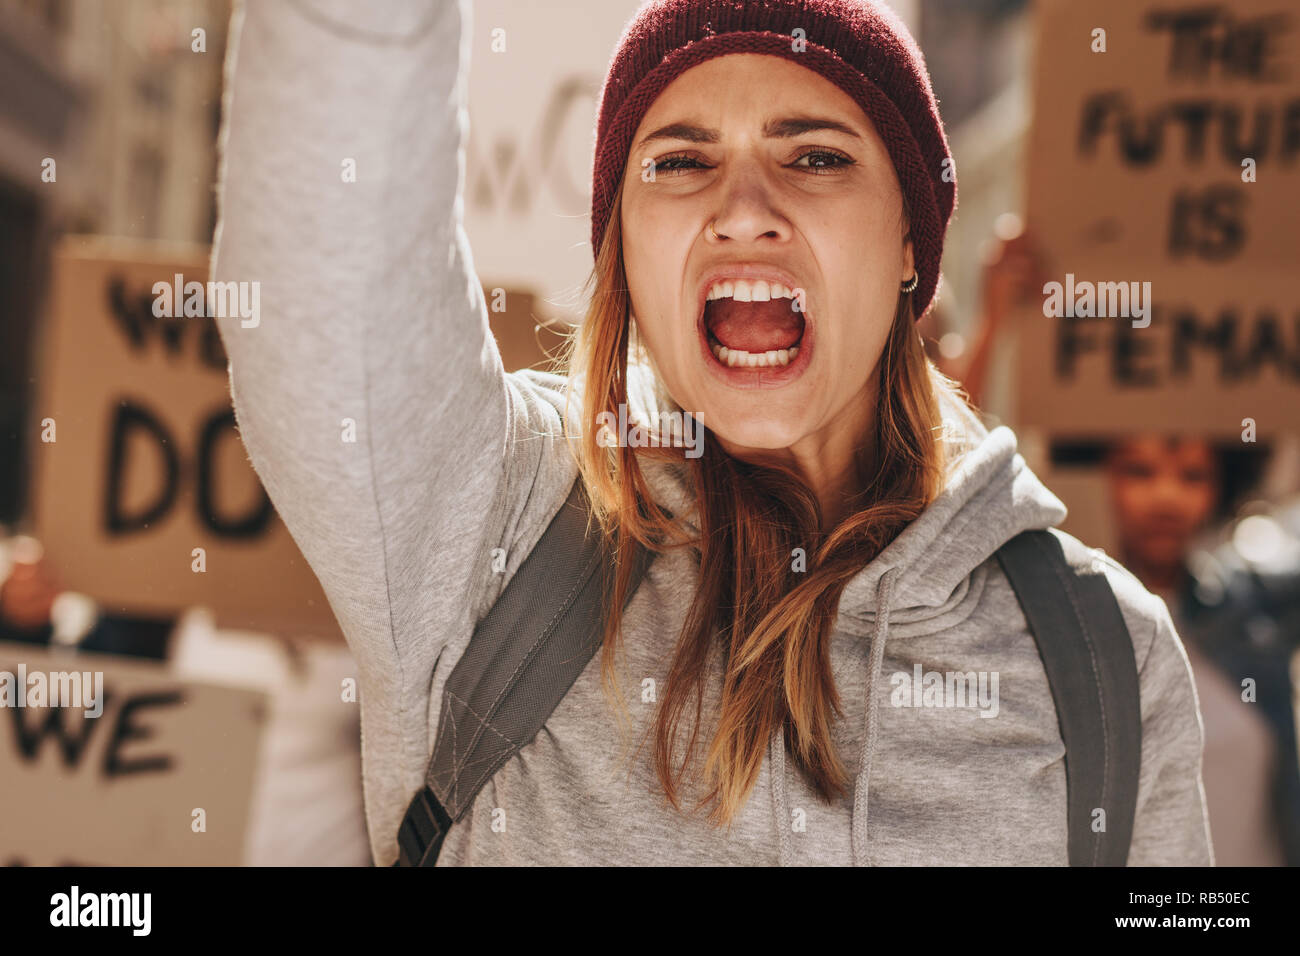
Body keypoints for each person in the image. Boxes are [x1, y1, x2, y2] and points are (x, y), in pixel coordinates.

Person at [210, 0, 1212, 865]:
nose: (742, 211)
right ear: (626, 256)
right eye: (681, 162)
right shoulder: (491, 530)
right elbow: (326, 273)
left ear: (911, 239)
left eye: (814, 156)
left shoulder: (1105, 656)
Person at [1103, 436, 1300, 865]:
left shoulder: (1253, 611)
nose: (1166, 497)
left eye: (1193, 476)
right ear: (1104, 476)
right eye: (1141, 471)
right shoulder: (1063, 623)